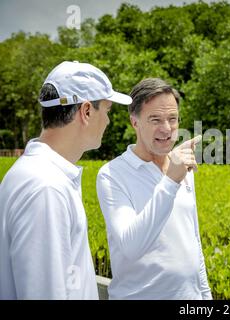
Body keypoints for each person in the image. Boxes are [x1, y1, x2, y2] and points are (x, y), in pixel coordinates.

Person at [0, 61, 132, 299]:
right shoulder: (46, 188)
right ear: (87, 111)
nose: (109, 121)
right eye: (108, 110)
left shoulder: (33, 173)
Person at [96, 78, 212, 300]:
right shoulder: (112, 175)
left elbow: (192, 240)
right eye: (155, 119)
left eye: (173, 119)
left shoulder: (181, 166)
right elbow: (131, 246)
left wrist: (205, 296)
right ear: (135, 122)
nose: (166, 129)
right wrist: (170, 182)